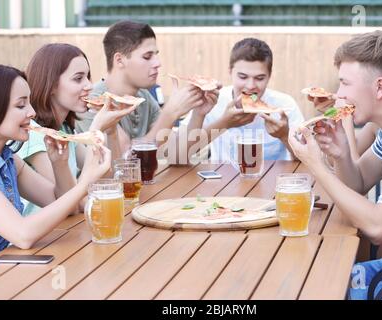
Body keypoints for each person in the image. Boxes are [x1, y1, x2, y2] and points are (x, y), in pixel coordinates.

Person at [288, 30, 382, 300]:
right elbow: (358, 184)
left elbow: (377, 229)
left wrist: (316, 164)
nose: (338, 94)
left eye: (344, 83)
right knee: (324, 276)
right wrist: (341, 153)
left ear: (379, 87)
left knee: (326, 288)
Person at [0, 63, 111, 258]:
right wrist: (85, 183)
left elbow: (66, 208)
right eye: (21, 105)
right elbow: (23, 235)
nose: (32, 112)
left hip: (4, 267)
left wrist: (59, 163)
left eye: (29, 103)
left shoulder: (9, 158)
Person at [75, 21, 218, 161]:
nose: (158, 63)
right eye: (147, 56)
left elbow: (177, 155)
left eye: (156, 55)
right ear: (119, 60)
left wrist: (198, 113)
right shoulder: (91, 102)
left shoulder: (143, 97)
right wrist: (169, 113)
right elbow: (125, 161)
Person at [18, 43, 134, 215]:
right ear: (51, 85)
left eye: (88, 77)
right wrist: (96, 129)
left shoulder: (64, 130)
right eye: (78, 78)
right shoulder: (35, 134)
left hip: (70, 230)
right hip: (49, 236)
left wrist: (111, 130)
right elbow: (73, 203)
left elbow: (108, 178)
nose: (89, 85)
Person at [193, 38, 304, 163]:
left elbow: (307, 162)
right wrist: (223, 124)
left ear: (269, 75)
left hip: (273, 180)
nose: (251, 86)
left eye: (260, 78)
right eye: (243, 77)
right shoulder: (212, 101)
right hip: (223, 179)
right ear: (230, 71)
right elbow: (178, 153)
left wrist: (284, 136)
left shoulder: (285, 104)